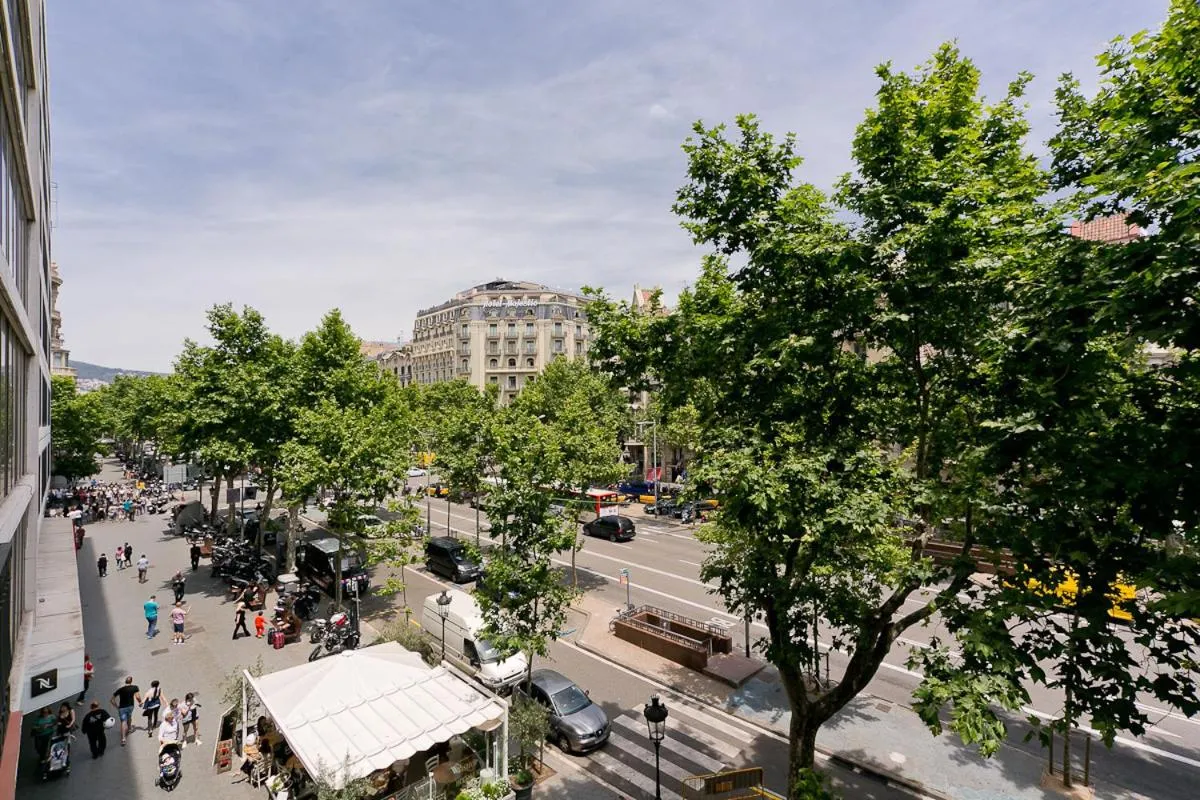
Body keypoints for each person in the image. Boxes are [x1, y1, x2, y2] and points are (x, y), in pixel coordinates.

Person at [110, 677, 141, 746]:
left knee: (123, 722)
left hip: (122, 708)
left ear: (125, 682)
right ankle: (129, 729)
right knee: (129, 716)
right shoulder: (135, 687)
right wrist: (140, 702)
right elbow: (138, 697)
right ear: (131, 681)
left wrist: (117, 707)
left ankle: (123, 739)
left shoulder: (120, 690)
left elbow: (112, 700)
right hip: (130, 706)